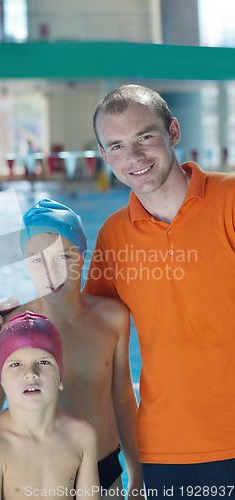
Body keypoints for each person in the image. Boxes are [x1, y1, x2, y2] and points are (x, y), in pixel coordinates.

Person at [83, 84, 235, 497]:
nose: (133, 157)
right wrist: (16, 320)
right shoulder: (113, 235)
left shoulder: (229, 201)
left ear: (173, 132)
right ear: (104, 155)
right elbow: (88, 329)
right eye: (116, 145)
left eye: (144, 137)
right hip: (165, 448)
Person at [0, 198, 144, 499]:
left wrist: (137, 474)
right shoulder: (11, 326)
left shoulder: (113, 318)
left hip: (106, 471)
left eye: (63, 257)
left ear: (82, 256)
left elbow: (122, 399)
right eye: (36, 260)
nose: (51, 271)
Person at [0, 310, 101, 500]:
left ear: (60, 375)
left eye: (43, 362)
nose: (31, 373)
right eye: (16, 364)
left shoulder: (82, 435)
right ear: (1, 380)